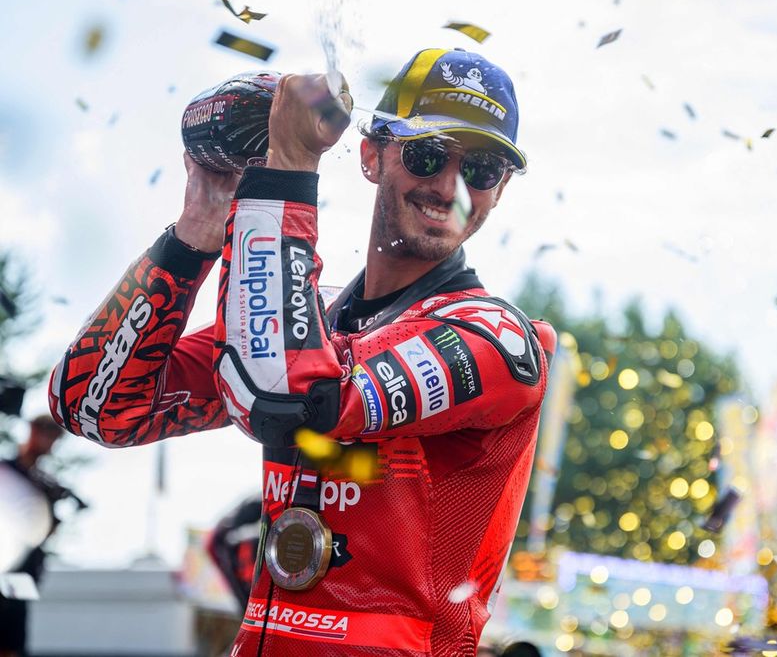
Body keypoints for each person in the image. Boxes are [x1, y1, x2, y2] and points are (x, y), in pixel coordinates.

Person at [48, 48, 555, 656]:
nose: (449, 188)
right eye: (426, 155)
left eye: (482, 170)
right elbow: (92, 404)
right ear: (371, 155)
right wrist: (197, 234)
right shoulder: (314, 323)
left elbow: (285, 397)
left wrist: (285, 169)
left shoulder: (498, 338)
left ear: (499, 192)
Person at [0, 415, 83, 657]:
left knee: (13, 638)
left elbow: (44, 532)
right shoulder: (8, 473)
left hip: (23, 574)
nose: (50, 443)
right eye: (48, 435)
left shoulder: (44, 484)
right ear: (33, 431)